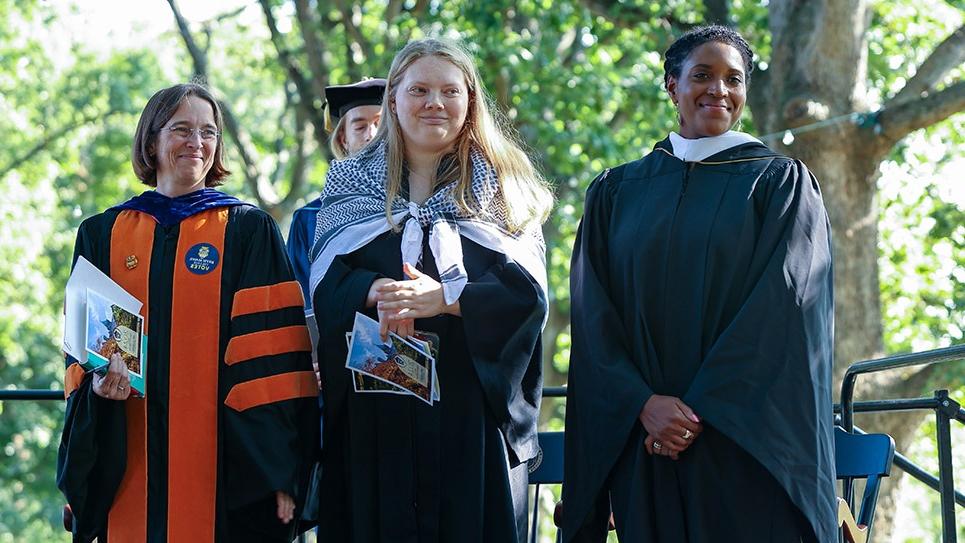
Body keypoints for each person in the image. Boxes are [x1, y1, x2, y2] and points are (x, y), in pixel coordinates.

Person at [562, 25, 836, 542]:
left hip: (743, 445)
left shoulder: (779, 185)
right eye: (703, 75)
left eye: (734, 79)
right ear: (672, 85)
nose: (720, 90)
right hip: (643, 441)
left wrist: (692, 414)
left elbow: (785, 311)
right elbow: (594, 317)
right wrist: (644, 405)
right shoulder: (617, 192)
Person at [308, 38, 553, 542]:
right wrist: (371, 289)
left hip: (469, 421)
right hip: (375, 418)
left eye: (449, 91)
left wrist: (447, 300)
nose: (433, 103)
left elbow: (526, 299)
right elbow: (325, 290)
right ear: (393, 98)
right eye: (418, 89)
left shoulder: (505, 187)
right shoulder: (349, 182)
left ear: (470, 100)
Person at [57, 83, 319, 542]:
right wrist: (98, 390)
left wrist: (280, 473)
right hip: (129, 454)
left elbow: (273, 361)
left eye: (208, 132)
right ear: (152, 141)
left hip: (224, 469)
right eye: (181, 129)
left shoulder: (246, 229)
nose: (196, 142)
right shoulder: (103, 233)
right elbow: (81, 356)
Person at [287, 77, 387, 323]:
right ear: (343, 139)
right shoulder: (311, 218)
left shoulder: (418, 207)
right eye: (360, 126)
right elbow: (300, 298)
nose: (372, 135)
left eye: (381, 123)